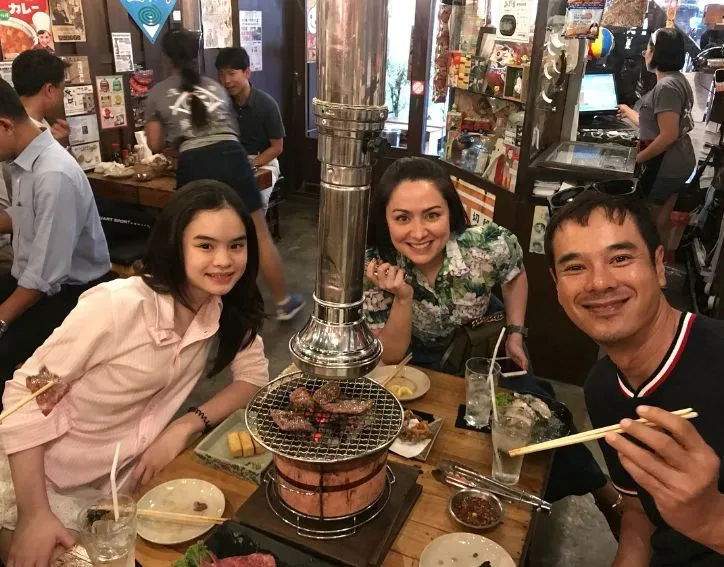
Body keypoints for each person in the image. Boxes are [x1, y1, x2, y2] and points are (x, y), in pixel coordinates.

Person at [0, 180, 270, 566]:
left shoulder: (220, 305)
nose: (224, 260)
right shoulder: (117, 307)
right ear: (175, 245)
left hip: (119, 485)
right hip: (40, 483)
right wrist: (33, 516)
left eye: (236, 246)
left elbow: (253, 376)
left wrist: (184, 426)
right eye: (206, 245)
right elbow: (25, 398)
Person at [363, 157, 622, 530]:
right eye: (402, 218)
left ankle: (603, 491)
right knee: (416, 434)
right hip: (418, 356)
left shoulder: (488, 243)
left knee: (535, 412)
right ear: (385, 219)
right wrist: (403, 297)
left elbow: (515, 275)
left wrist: (516, 332)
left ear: (450, 212)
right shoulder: (376, 265)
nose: (418, 232)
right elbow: (391, 356)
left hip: (485, 346)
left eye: (432, 215)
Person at [545, 190, 724, 565]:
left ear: (658, 266)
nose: (599, 283)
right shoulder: (603, 389)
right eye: (575, 267)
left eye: (620, 258)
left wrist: (711, 520)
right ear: (556, 285)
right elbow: (639, 510)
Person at [144, 29, 304, 321]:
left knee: (193, 235)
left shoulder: (158, 93)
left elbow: (154, 144)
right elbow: (232, 132)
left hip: (194, 162)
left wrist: (175, 143)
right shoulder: (214, 87)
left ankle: (192, 309)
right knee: (259, 233)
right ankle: (284, 302)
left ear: (167, 59)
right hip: (232, 157)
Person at [0, 79, 110, 385]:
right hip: (33, 278)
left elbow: (44, 277)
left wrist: (2, 319)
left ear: (5, 126)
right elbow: (23, 217)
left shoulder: (54, 174)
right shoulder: (24, 162)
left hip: (71, 292)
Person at [617, 28, 695, 244]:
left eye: (648, 49)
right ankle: (659, 256)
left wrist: (637, 159)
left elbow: (668, 135)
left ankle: (650, 258)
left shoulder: (666, 87)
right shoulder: (677, 79)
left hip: (666, 164)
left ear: (658, 53)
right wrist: (629, 112)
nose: (645, 54)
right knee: (660, 221)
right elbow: (659, 124)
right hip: (680, 160)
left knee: (648, 223)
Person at [215, 47, 285, 210]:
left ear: (247, 72)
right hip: (231, 160)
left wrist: (251, 164)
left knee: (253, 200)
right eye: (221, 75)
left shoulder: (267, 104)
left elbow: (277, 147)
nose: (226, 81)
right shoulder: (221, 104)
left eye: (231, 74)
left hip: (264, 162)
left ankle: (253, 227)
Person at [11, 49, 69, 140]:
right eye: (62, 89)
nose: (63, 95)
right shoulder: (29, 135)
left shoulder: (11, 124)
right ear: (49, 90)